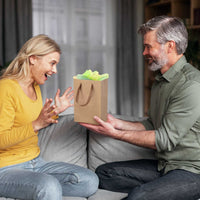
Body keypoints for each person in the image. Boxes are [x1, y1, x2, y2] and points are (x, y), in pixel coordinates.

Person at [80, 15, 200, 200]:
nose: (144, 52)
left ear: (170, 46)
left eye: (148, 46)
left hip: (192, 171)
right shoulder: (160, 81)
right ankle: (164, 190)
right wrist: (116, 122)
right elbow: (152, 124)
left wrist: (114, 133)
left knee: (139, 196)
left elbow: (164, 139)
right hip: (164, 166)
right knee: (105, 174)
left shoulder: (191, 85)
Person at [0, 34, 99, 200]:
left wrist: (55, 112)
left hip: (36, 162)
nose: (55, 70)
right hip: (6, 168)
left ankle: (39, 188)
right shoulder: (6, 88)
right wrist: (36, 124)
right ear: (33, 59)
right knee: (49, 186)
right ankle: (42, 189)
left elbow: (32, 121)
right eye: (52, 63)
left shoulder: (35, 86)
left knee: (89, 181)